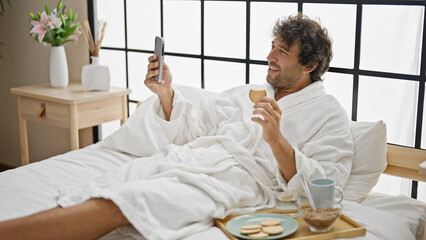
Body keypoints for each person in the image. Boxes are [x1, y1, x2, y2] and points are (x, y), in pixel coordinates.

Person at [0, 13, 353, 240]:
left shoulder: (329, 115)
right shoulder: (250, 92)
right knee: (112, 184)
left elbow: (325, 186)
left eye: (282, 51)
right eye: (272, 47)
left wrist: (276, 140)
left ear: (310, 64)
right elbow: (198, 126)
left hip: (236, 183)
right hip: (192, 159)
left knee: (127, 201)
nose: (269, 57)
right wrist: (166, 93)